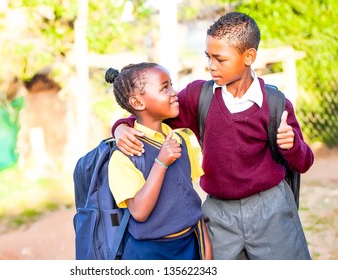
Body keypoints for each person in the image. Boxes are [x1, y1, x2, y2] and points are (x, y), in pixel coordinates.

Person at [111, 12, 314, 260]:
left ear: (248, 56)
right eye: (209, 57)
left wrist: (291, 145)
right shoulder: (199, 96)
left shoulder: (275, 103)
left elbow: (303, 162)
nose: (211, 65)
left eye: (220, 59)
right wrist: (121, 126)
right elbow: (151, 114)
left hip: (271, 210)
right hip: (219, 214)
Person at [105, 62, 212, 260]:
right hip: (149, 253)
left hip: (190, 244)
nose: (174, 92)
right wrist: (161, 163)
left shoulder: (182, 140)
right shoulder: (123, 155)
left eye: (171, 84)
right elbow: (139, 212)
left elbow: (191, 200)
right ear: (137, 103)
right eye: (165, 87)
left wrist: (206, 252)